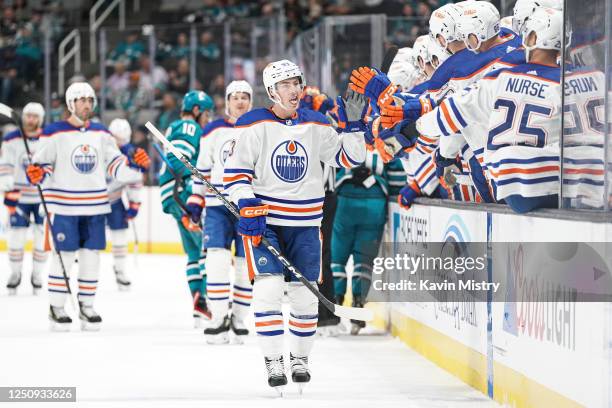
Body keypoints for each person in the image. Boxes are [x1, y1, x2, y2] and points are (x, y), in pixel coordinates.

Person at [223, 59, 366, 392]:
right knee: (269, 290)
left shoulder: (317, 124)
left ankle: (300, 358)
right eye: (285, 85)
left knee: (304, 299)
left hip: (305, 224)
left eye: (297, 83)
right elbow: (236, 175)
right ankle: (274, 359)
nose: (294, 90)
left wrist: (355, 127)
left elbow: (348, 159)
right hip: (267, 223)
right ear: (272, 90)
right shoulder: (252, 124)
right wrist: (247, 202)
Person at [27, 82, 150, 331]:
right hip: (63, 207)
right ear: (71, 103)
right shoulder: (54, 132)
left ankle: (87, 305)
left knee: (91, 258)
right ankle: (57, 307)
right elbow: (42, 166)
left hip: (95, 206)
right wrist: (37, 173)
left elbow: (116, 167)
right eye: (81, 100)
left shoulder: (102, 134)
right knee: (64, 256)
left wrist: (136, 167)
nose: (86, 104)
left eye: (90, 100)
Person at [416, 7, 563, 213]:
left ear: (530, 38)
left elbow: (450, 115)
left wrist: (417, 125)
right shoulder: (571, 81)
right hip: (562, 183)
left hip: (508, 183)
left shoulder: (497, 78)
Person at [187, 80, 253, 344]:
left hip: (249, 206)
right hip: (217, 206)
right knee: (215, 260)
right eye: (235, 97)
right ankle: (218, 317)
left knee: (245, 265)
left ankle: (238, 318)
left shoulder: (261, 128)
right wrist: (196, 201)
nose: (240, 102)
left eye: (244, 97)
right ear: (227, 102)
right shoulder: (213, 130)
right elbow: (202, 170)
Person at [159, 90, 214, 327]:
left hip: (172, 196)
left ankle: (199, 304)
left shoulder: (175, 126)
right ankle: (210, 299)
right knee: (207, 248)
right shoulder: (190, 127)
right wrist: (194, 178)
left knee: (194, 252)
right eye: (206, 113)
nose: (208, 118)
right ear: (196, 111)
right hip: (183, 193)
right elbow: (177, 159)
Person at [0, 102, 48, 294]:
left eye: (35, 116)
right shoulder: (12, 139)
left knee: (40, 240)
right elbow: (5, 165)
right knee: (16, 240)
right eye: (28, 115)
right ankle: (15, 274)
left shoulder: (48, 139)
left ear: (40, 119)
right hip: (19, 197)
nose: (30, 119)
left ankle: (37, 275)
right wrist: (8, 189)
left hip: (41, 198)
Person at [106, 118, 144, 290]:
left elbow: (134, 180)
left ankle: (120, 271)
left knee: (120, 236)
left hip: (114, 201)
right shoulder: (98, 148)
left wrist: (134, 203)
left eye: (123, 141)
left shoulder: (131, 154)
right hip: (90, 201)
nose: (120, 145)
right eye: (117, 140)